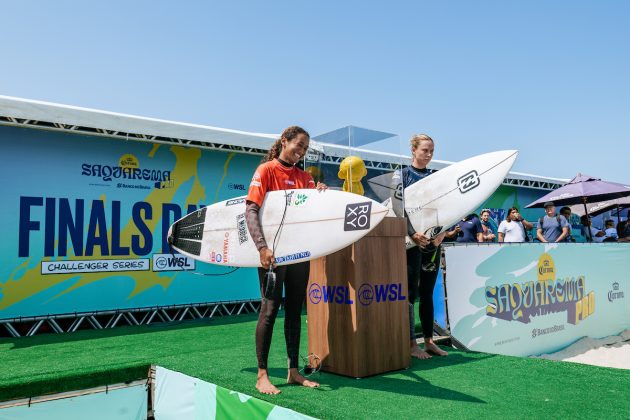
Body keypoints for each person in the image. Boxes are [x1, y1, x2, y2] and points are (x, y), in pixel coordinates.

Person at [245, 126, 326, 395]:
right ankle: (262, 374)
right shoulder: (266, 170)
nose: (301, 151)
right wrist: (262, 247)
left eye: (305, 148)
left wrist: (321, 192)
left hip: (298, 254)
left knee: (294, 310)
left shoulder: (304, 177)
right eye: (299, 145)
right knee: (269, 310)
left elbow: (314, 209)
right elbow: (251, 210)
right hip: (273, 254)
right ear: (284, 141)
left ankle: (293, 371)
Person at [391, 134, 447, 360]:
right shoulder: (401, 175)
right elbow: (397, 207)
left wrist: (443, 231)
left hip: (432, 243)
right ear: (413, 150)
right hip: (411, 243)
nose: (429, 154)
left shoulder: (436, 177)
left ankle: (429, 341)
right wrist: (412, 233)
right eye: (425, 150)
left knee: (427, 293)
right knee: (410, 293)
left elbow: (445, 206)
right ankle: (411, 344)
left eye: (432, 150)